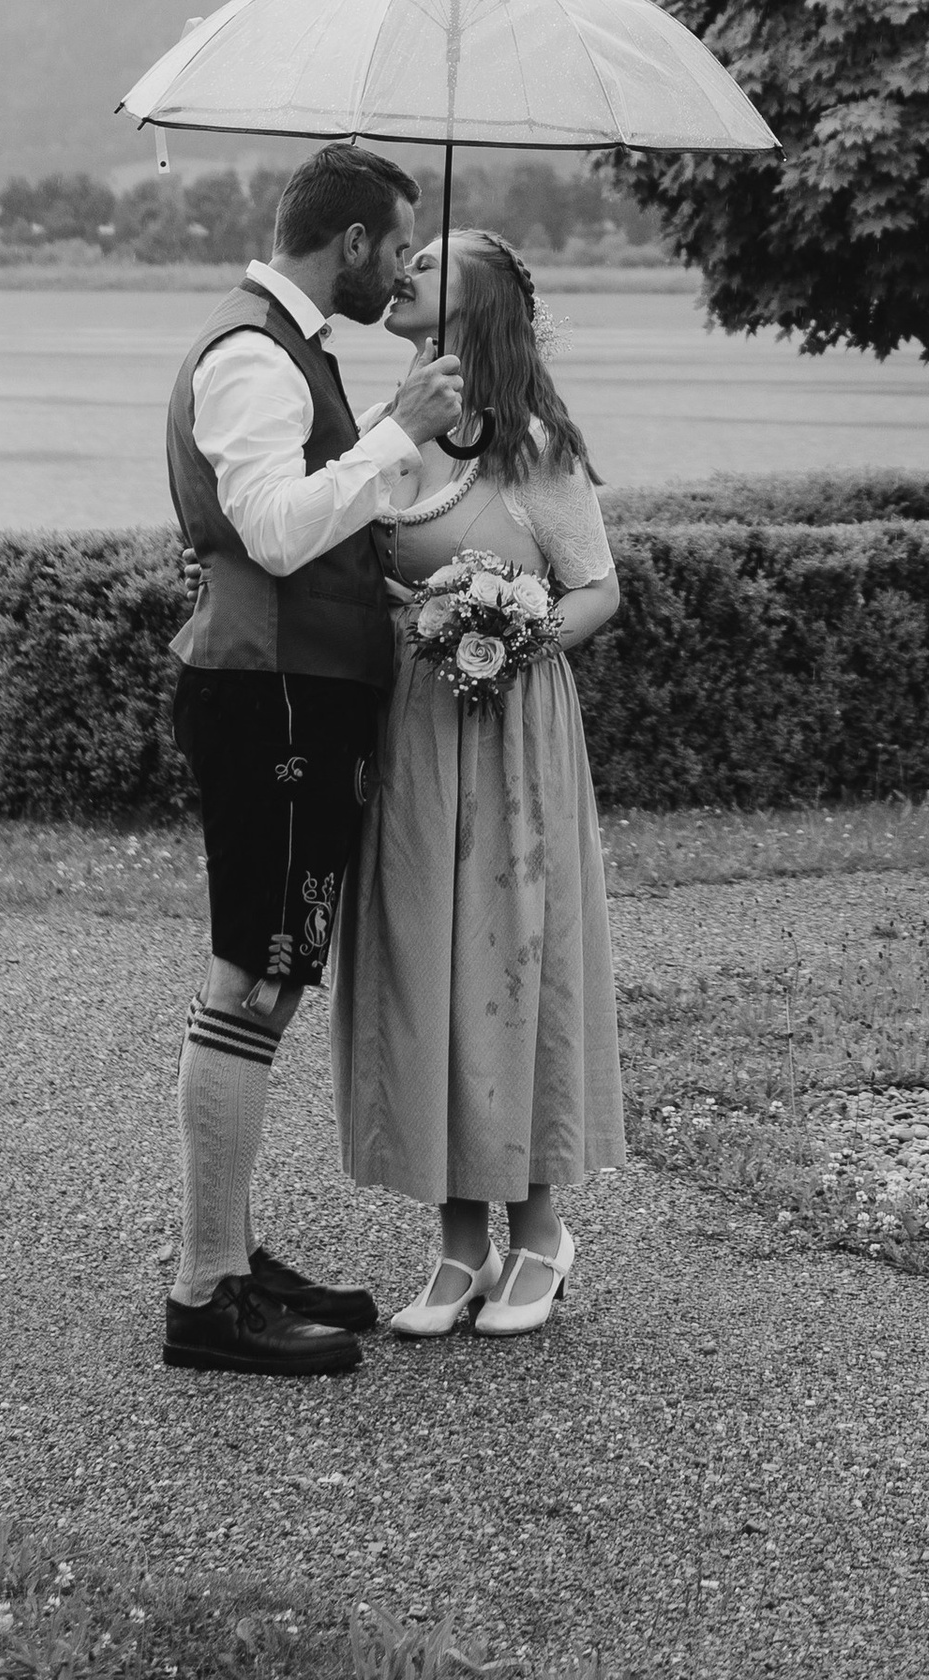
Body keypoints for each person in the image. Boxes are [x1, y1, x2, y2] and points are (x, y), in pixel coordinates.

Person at [160, 142, 469, 1380]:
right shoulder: (251, 355)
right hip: (270, 697)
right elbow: (277, 533)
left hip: (295, 694)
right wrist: (397, 434)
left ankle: (229, 1255)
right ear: (349, 243)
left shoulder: (289, 348)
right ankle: (204, 1293)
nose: (399, 272)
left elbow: (314, 524)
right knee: (254, 977)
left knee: (270, 976)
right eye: (395, 248)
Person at [331, 227, 625, 1337]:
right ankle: (459, 1247)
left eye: (432, 260)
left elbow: (595, 587)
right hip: (411, 733)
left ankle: (539, 1230)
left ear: (481, 304)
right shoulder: (386, 429)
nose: (405, 269)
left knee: (510, 962)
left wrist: (512, 631)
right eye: (406, 254)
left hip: (510, 737)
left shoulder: (534, 445)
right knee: (426, 966)